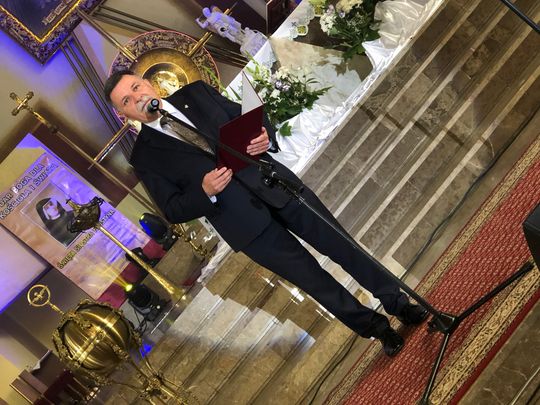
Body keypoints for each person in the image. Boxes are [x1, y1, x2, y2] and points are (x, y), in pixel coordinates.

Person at [104, 70, 428, 356]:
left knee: (344, 247)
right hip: (245, 226)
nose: (137, 97)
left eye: (136, 87)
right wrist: (204, 191)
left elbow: (248, 118)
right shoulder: (144, 157)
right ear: (124, 114)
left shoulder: (196, 93)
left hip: (277, 186)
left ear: (147, 83)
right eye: (127, 100)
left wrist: (264, 136)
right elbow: (173, 208)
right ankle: (377, 329)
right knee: (313, 280)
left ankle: (397, 302)